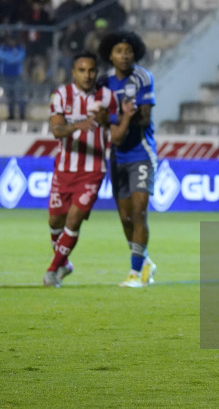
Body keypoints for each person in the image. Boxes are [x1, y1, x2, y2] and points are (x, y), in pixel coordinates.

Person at [43, 52, 134, 287]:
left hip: (93, 171)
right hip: (64, 169)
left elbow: (115, 135)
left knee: (74, 219)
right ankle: (64, 263)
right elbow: (56, 130)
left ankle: (52, 271)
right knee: (55, 222)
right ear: (74, 72)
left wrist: (122, 119)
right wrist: (78, 125)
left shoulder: (108, 98)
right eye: (82, 70)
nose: (87, 74)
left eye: (91, 70)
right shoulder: (61, 96)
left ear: (97, 72)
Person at [97, 31, 158, 288]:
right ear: (110, 54)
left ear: (135, 53)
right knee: (125, 218)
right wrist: (118, 117)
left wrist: (125, 117)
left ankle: (134, 274)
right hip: (116, 155)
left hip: (141, 153)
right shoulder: (103, 82)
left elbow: (144, 117)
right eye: (119, 51)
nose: (125, 55)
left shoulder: (142, 77)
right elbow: (101, 119)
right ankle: (144, 261)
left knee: (139, 211)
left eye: (128, 51)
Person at [0, 32, 27, 120]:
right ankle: (11, 115)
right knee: (9, 97)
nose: (12, 41)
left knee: (19, 96)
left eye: (13, 40)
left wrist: (9, 58)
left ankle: (22, 114)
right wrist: (12, 57)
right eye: (10, 39)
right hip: (6, 76)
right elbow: (2, 55)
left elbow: (19, 57)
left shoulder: (20, 48)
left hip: (16, 76)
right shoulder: (3, 48)